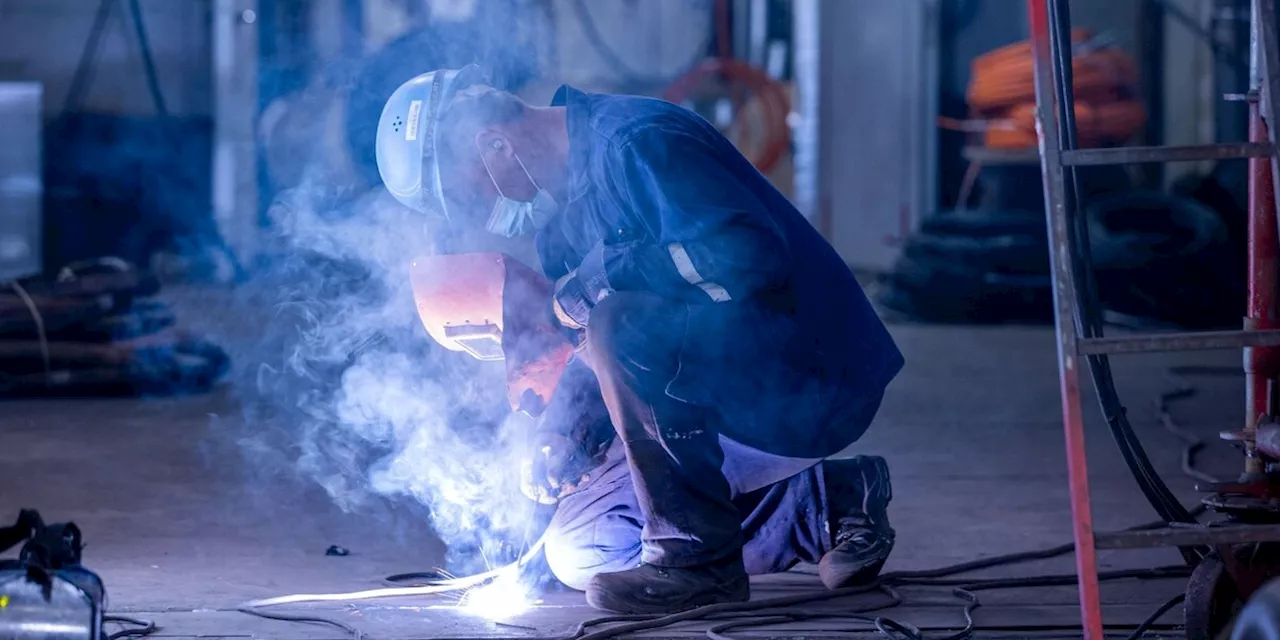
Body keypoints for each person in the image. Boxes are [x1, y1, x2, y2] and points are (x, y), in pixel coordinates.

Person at [374, 66, 905, 614]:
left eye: (475, 198)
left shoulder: (637, 141)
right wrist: (569, 430)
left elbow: (746, 259)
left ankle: (699, 563)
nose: (487, 217)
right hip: (714, 382)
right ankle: (826, 500)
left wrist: (598, 280)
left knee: (619, 326)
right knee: (582, 549)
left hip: (800, 377)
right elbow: (596, 347)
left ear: (495, 144)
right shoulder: (562, 222)